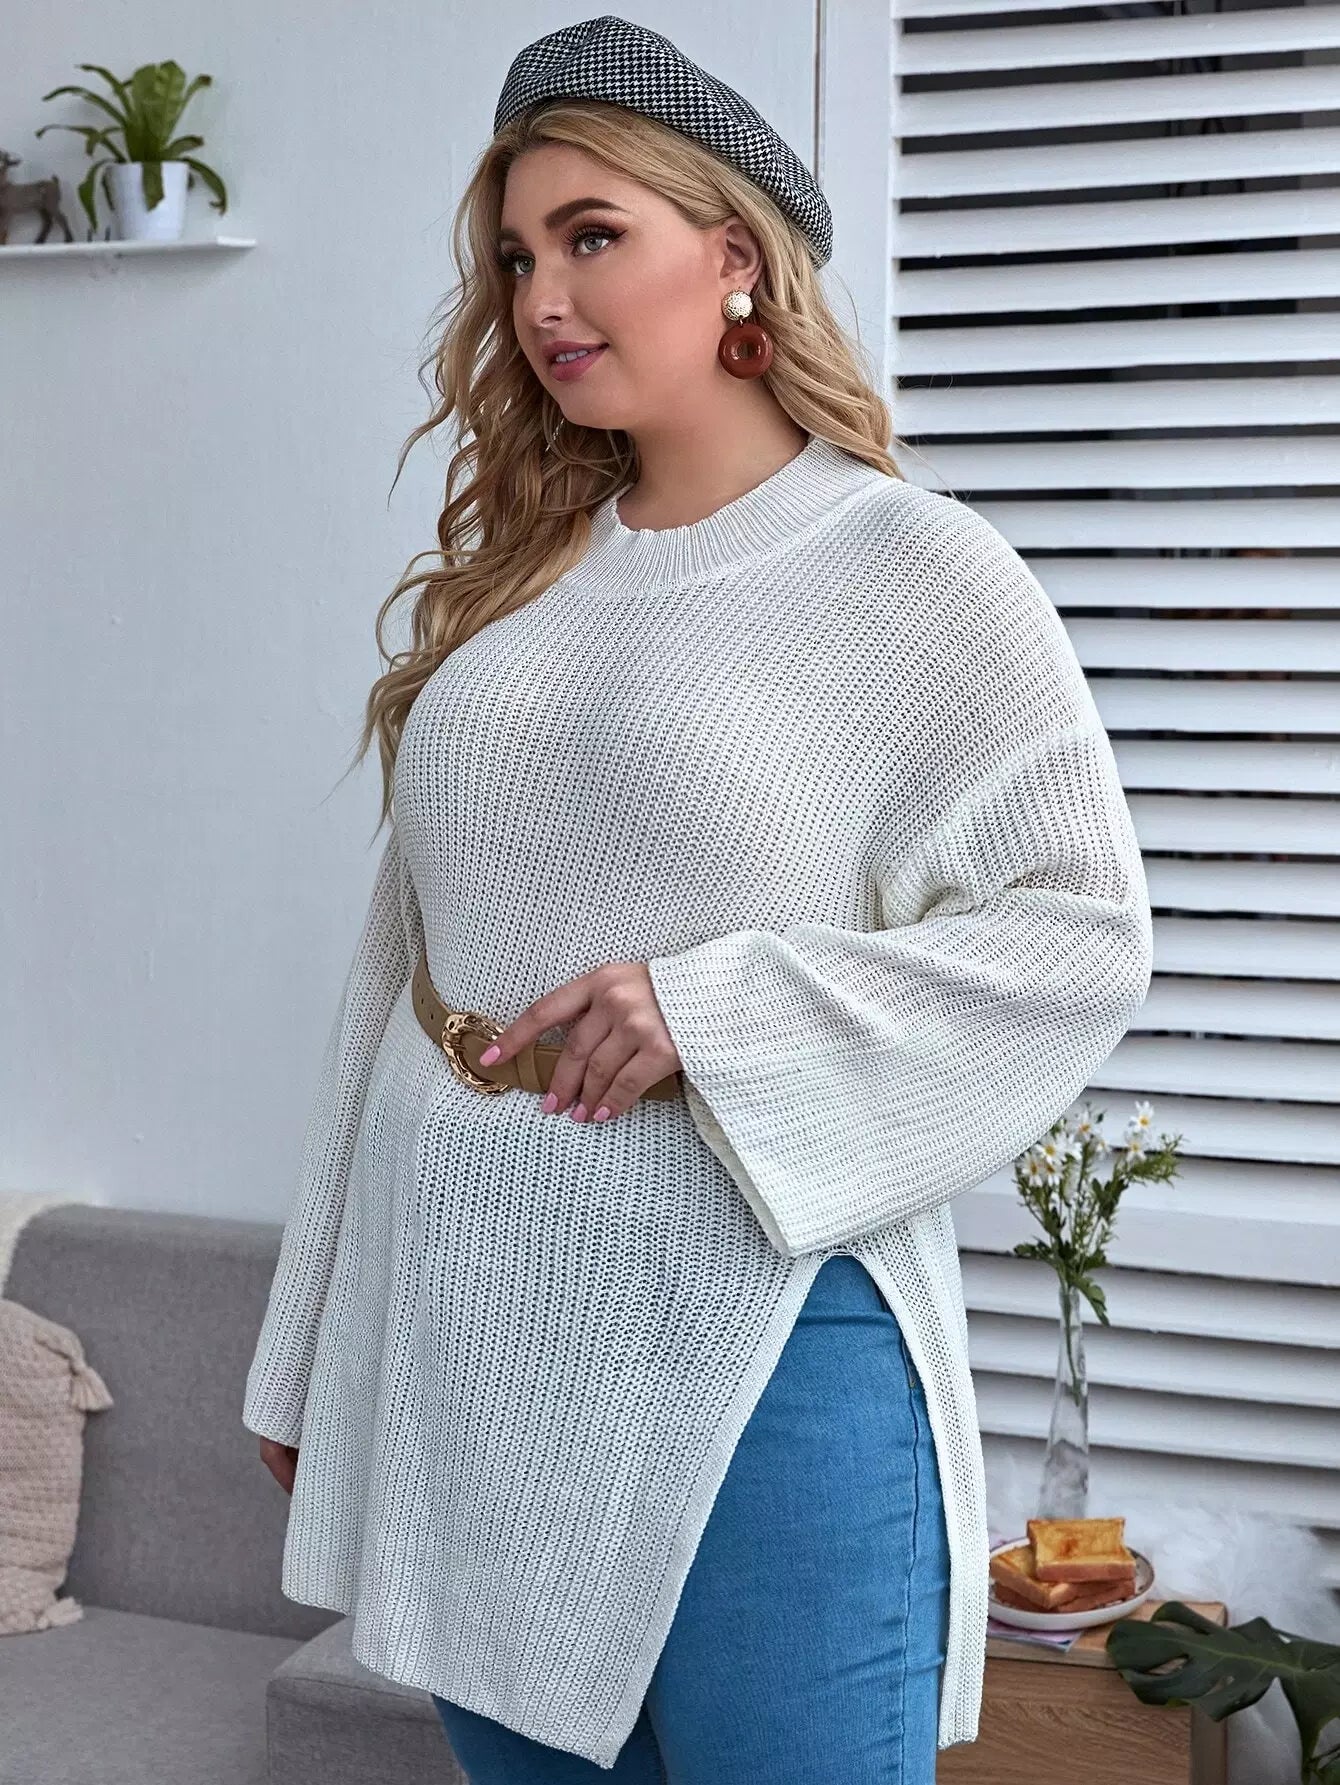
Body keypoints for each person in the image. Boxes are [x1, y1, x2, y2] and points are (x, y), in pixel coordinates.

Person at [241, 15, 1154, 1784]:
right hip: (480, 1357)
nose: (543, 297)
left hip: (768, 1353)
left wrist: (708, 1007)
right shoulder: (517, 585)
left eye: (594, 235)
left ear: (734, 256)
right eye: (519, 255)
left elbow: (1079, 932)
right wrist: (313, 1340)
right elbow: (400, 971)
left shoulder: (911, 568)